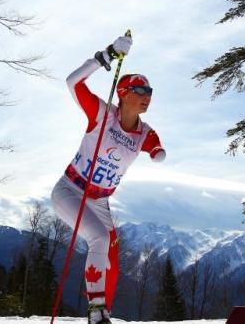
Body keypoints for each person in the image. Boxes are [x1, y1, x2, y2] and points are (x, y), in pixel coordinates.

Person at [51, 35, 166, 324]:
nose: (147, 96)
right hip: (70, 190)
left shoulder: (144, 131)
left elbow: (154, 144)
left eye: (150, 91)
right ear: (124, 92)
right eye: (141, 89)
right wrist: (107, 55)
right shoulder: (102, 114)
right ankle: (95, 312)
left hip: (100, 200)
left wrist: (156, 152)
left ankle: (104, 313)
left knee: (112, 254)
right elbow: (72, 83)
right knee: (99, 238)